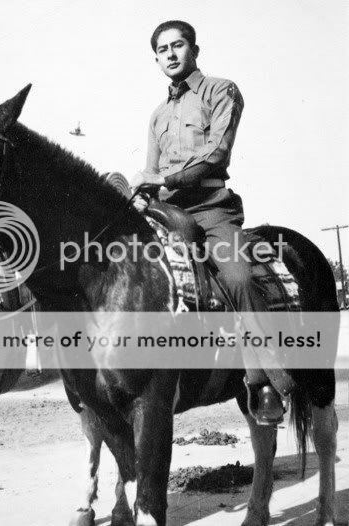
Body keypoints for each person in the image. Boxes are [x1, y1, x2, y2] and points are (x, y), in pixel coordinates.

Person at [131, 20, 295, 425]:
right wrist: (138, 194)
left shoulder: (221, 90)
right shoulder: (156, 116)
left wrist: (162, 179)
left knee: (238, 276)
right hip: (167, 212)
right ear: (155, 58)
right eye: (162, 49)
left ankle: (265, 381)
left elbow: (217, 153)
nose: (170, 54)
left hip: (211, 210)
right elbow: (150, 171)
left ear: (194, 50)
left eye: (178, 45)